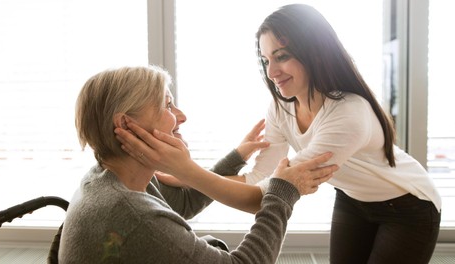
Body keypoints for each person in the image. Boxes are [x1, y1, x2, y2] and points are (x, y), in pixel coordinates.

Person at [117, 4, 442, 264]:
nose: (272, 72)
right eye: (266, 59)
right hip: (353, 198)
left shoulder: (348, 115)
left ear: (314, 52)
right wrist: (190, 175)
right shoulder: (281, 108)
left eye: (282, 56)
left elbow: (264, 198)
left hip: (409, 205)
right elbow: (261, 178)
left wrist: (188, 172)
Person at [59, 65, 338, 263]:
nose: (181, 116)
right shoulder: (134, 215)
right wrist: (284, 192)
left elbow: (183, 204)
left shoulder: (109, 176)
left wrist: (235, 158)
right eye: (167, 105)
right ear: (125, 125)